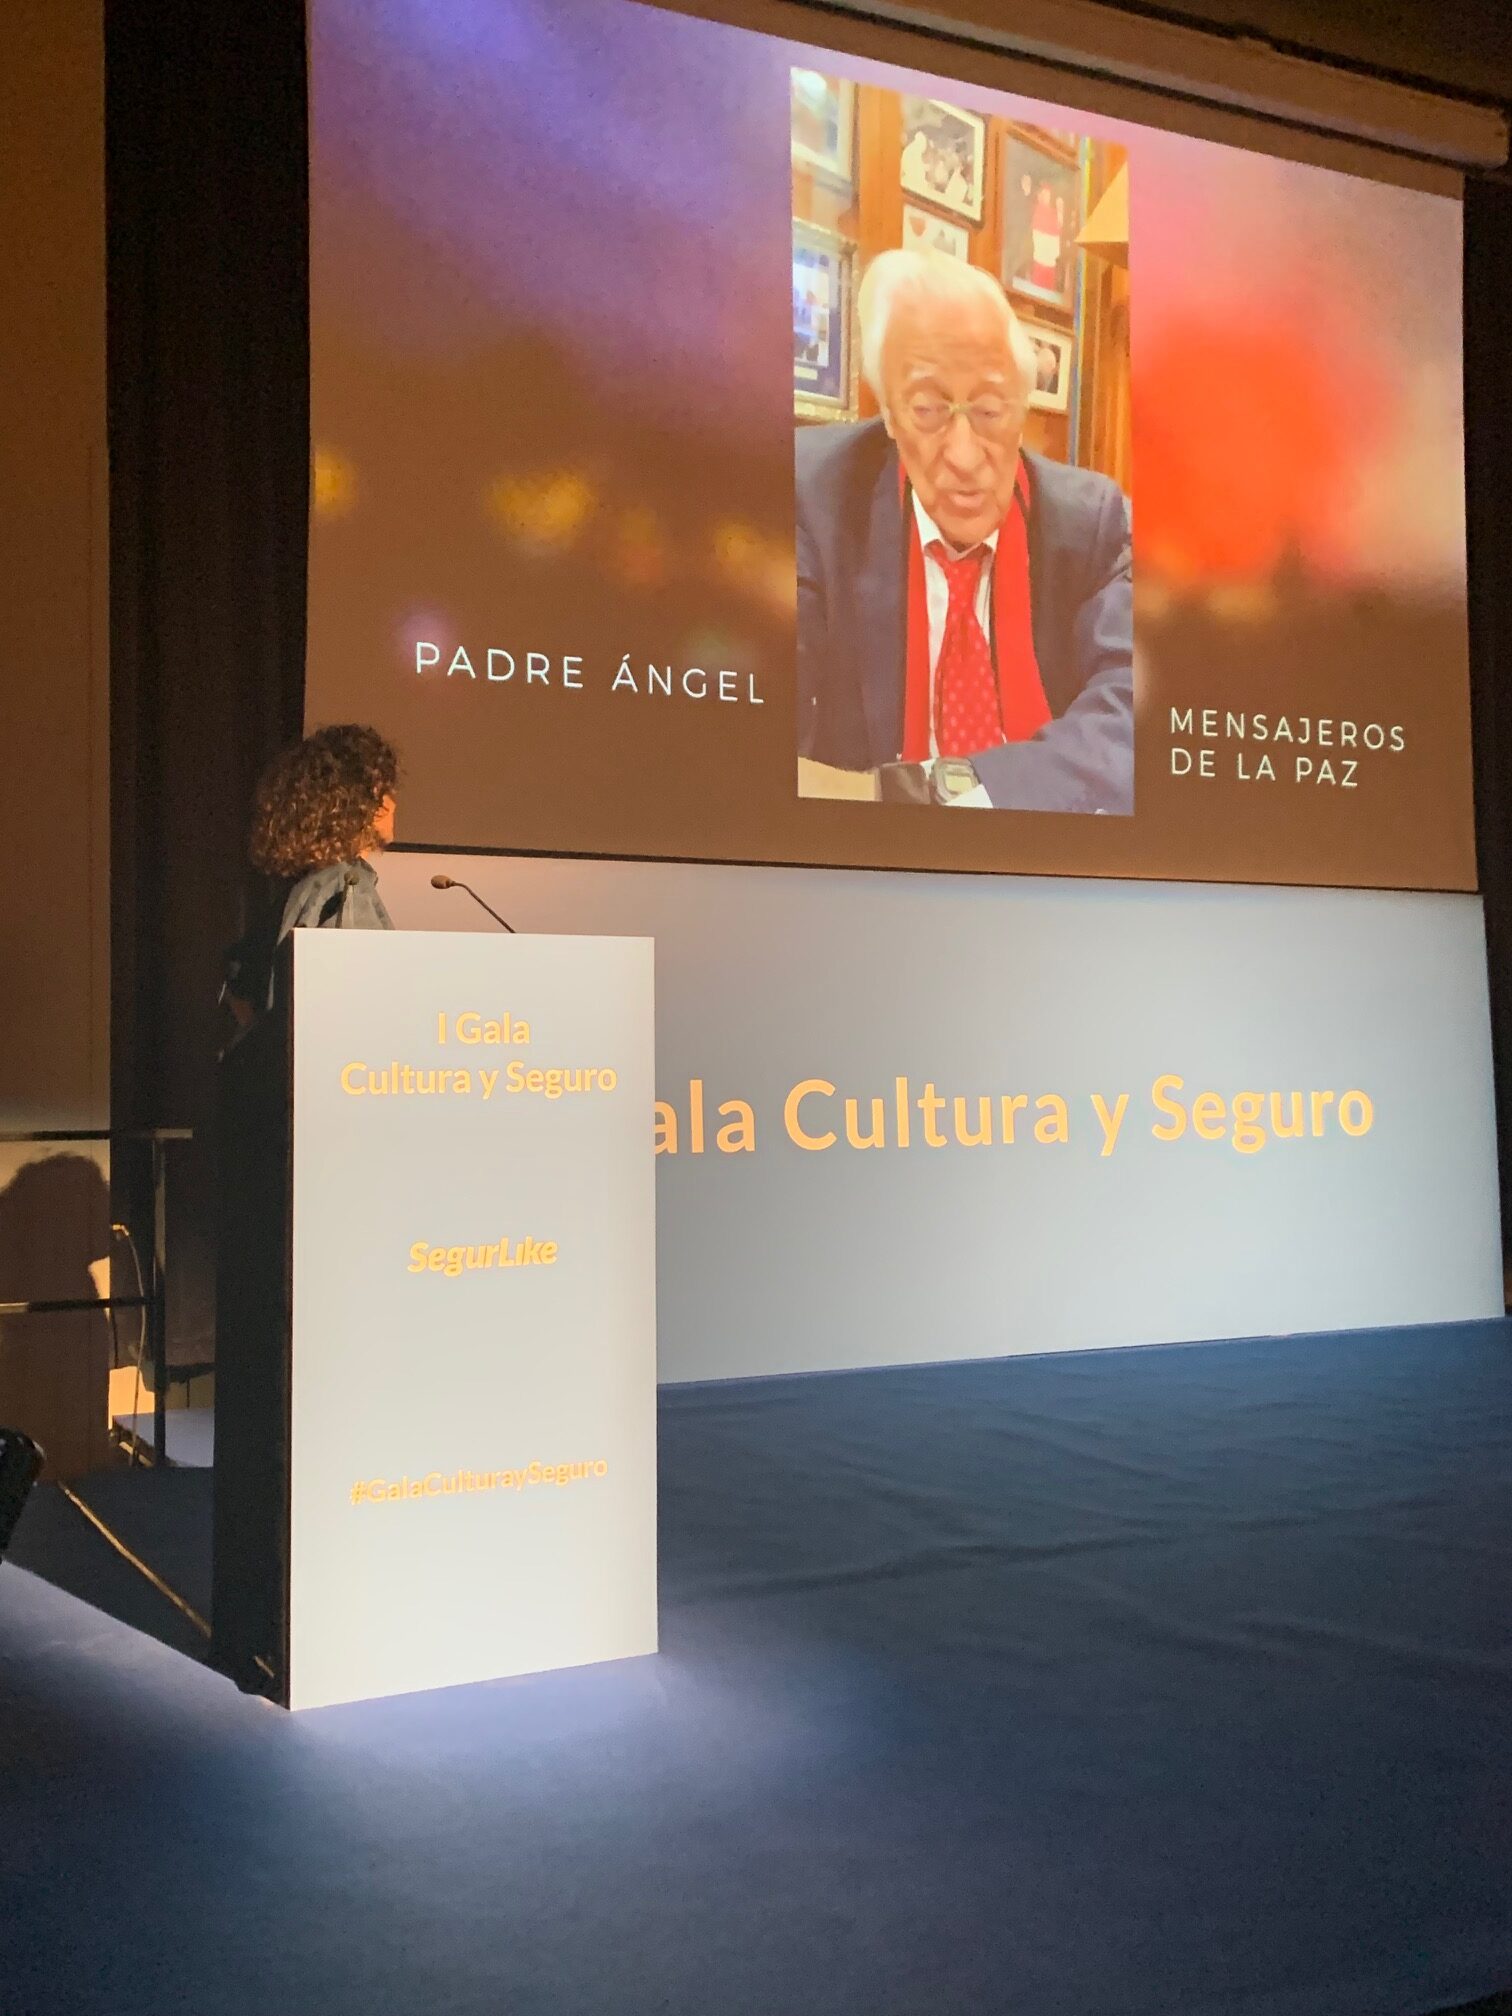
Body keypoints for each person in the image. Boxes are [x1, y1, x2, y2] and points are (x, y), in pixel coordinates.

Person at [795, 249, 1132, 813]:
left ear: (1023, 410)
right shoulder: (812, 498)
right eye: (927, 411)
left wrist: (934, 791)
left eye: (990, 410)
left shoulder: (1091, 521)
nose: (964, 456)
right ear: (890, 416)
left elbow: (1133, 715)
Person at [221, 723, 399, 1024]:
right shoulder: (344, 886)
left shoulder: (301, 890)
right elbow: (361, 1007)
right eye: (387, 791)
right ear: (366, 803)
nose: (393, 803)